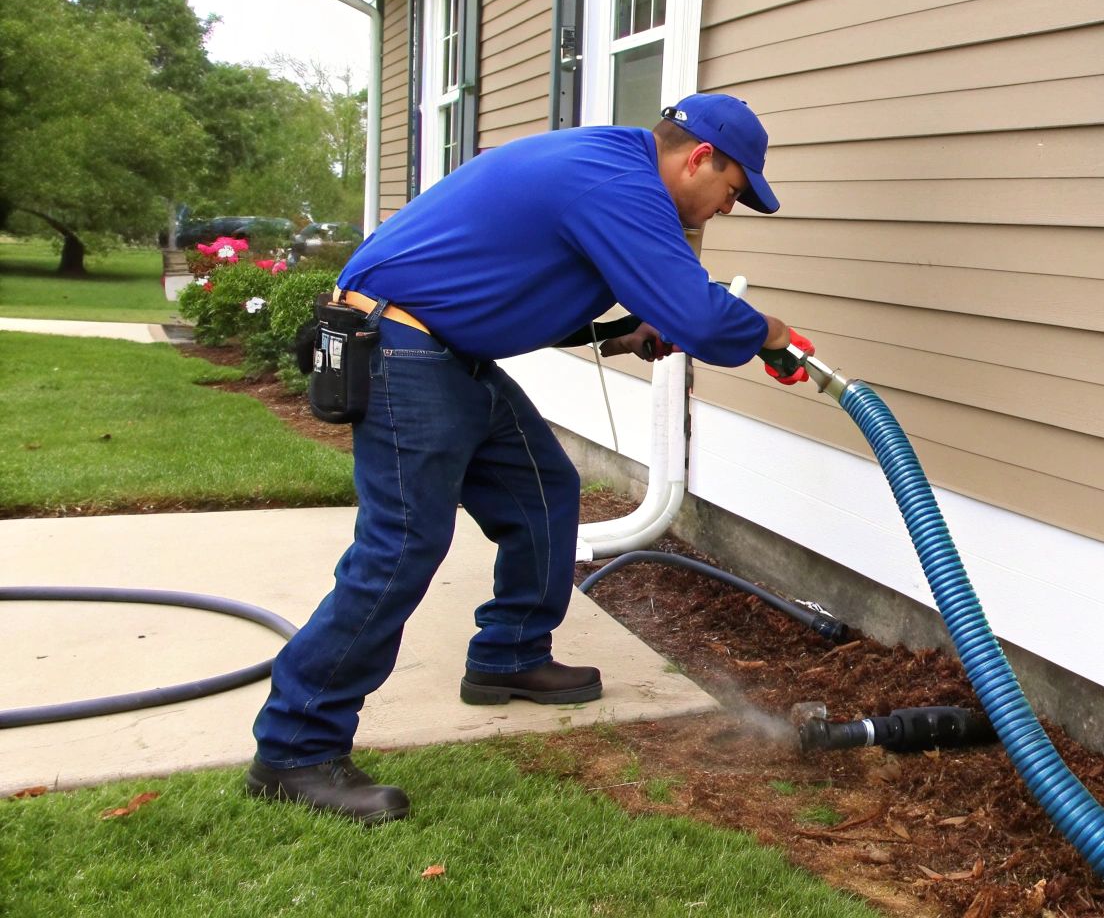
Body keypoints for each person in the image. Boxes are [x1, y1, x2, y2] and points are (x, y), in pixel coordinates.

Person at [246, 93, 815, 824]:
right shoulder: (621, 185)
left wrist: (623, 331)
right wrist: (769, 332)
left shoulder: (608, 167)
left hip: (446, 351)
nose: (726, 210)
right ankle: (295, 747)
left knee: (543, 489)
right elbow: (702, 316)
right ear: (700, 157)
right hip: (403, 351)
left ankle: (510, 654)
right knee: (402, 547)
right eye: (733, 192)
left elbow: (519, 289)